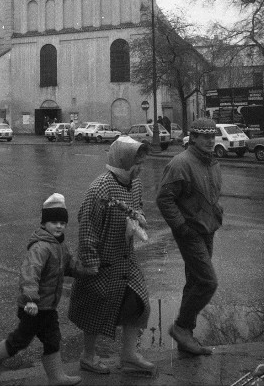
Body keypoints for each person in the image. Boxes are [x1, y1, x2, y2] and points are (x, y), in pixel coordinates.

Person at [68, 136, 155, 376]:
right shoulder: (100, 188)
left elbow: (137, 208)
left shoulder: (134, 184)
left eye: (143, 163)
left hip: (126, 257)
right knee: (95, 309)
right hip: (102, 260)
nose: (141, 168)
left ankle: (129, 354)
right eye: (138, 163)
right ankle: (88, 356)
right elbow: (87, 226)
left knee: (138, 303)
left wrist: (138, 219)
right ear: (124, 161)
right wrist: (91, 263)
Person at [0, 193, 97, 385]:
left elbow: (69, 266)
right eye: (54, 221)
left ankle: (56, 377)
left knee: (53, 339)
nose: (59, 226)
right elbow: (30, 273)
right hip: (33, 307)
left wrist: (88, 270)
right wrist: (31, 299)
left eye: (62, 222)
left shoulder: (60, 246)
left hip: (48, 307)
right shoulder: (40, 247)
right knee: (21, 340)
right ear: (44, 223)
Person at [156, 117, 222, 356]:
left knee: (195, 281)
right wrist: (181, 227)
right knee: (207, 282)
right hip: (190, 231)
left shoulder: (211, 161)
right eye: (204, 136)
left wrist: (215, 212)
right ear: (193, 137)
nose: (210, 140)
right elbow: (164, 199)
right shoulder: (180, 163)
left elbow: (211, 193)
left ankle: (187, 337)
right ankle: (181, 327)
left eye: (212, 136)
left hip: (208, 228)